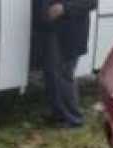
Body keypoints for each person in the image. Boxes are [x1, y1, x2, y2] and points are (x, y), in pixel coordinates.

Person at [34, 0, 98, 128]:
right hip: (50, 29)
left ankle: (74, 118)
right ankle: (58, 114)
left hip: (70, 33)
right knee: (51, 74)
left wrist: (64, 8)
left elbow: (91, 3)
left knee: (64, 75)